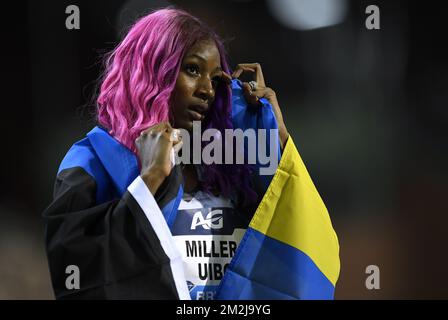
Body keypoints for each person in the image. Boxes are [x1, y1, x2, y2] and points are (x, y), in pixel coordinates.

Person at [43, 7, 340, 300]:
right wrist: (150, 180)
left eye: (215, 79)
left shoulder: (234, 166)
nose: (207, 90)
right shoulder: (92, 161)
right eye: (193, 70)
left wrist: (276, 135)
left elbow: (306, 250)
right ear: (153, 71)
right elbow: (77, 275)